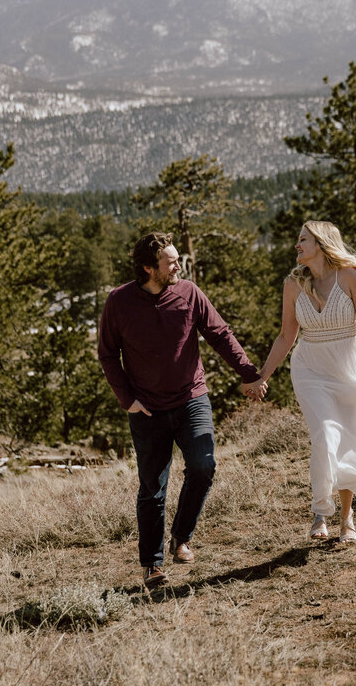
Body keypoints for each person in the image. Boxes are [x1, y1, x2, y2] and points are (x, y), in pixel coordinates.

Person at [98, 232, 265, 588]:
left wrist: (250, 374)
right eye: (171, 261)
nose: (179, 265)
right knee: (152, 489)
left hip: (192, 399)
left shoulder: (189, 293)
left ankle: (182, 537)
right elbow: (108, 354)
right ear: (148, 268)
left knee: (203, 467)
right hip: (146, 410)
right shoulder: (118, 302)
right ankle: (152, 564)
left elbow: (220, 334)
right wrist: (127, 399)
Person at [252, 221, 356, 543]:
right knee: (325, 434)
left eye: (303, 239)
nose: (296, 245)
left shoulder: (351, 277)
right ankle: (321, 511)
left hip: (349, 367)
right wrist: (262, 375)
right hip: (310, 368)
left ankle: (347, 519)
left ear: (320, 243)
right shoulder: (293, 284)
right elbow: (286, 335)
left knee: (346, 441)